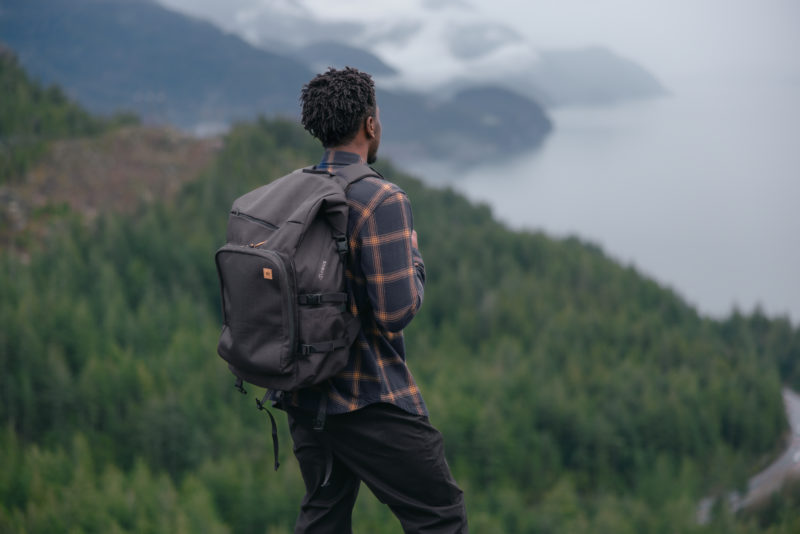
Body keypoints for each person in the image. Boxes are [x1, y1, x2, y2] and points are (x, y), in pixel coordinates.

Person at [276, 66, 468, 533]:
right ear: (370, 124)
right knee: (440, 515)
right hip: (367, 398)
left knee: (324, 516)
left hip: (302, 394)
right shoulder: (380, 198)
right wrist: (416, 263)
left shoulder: (292, 193)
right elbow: (396, 312)